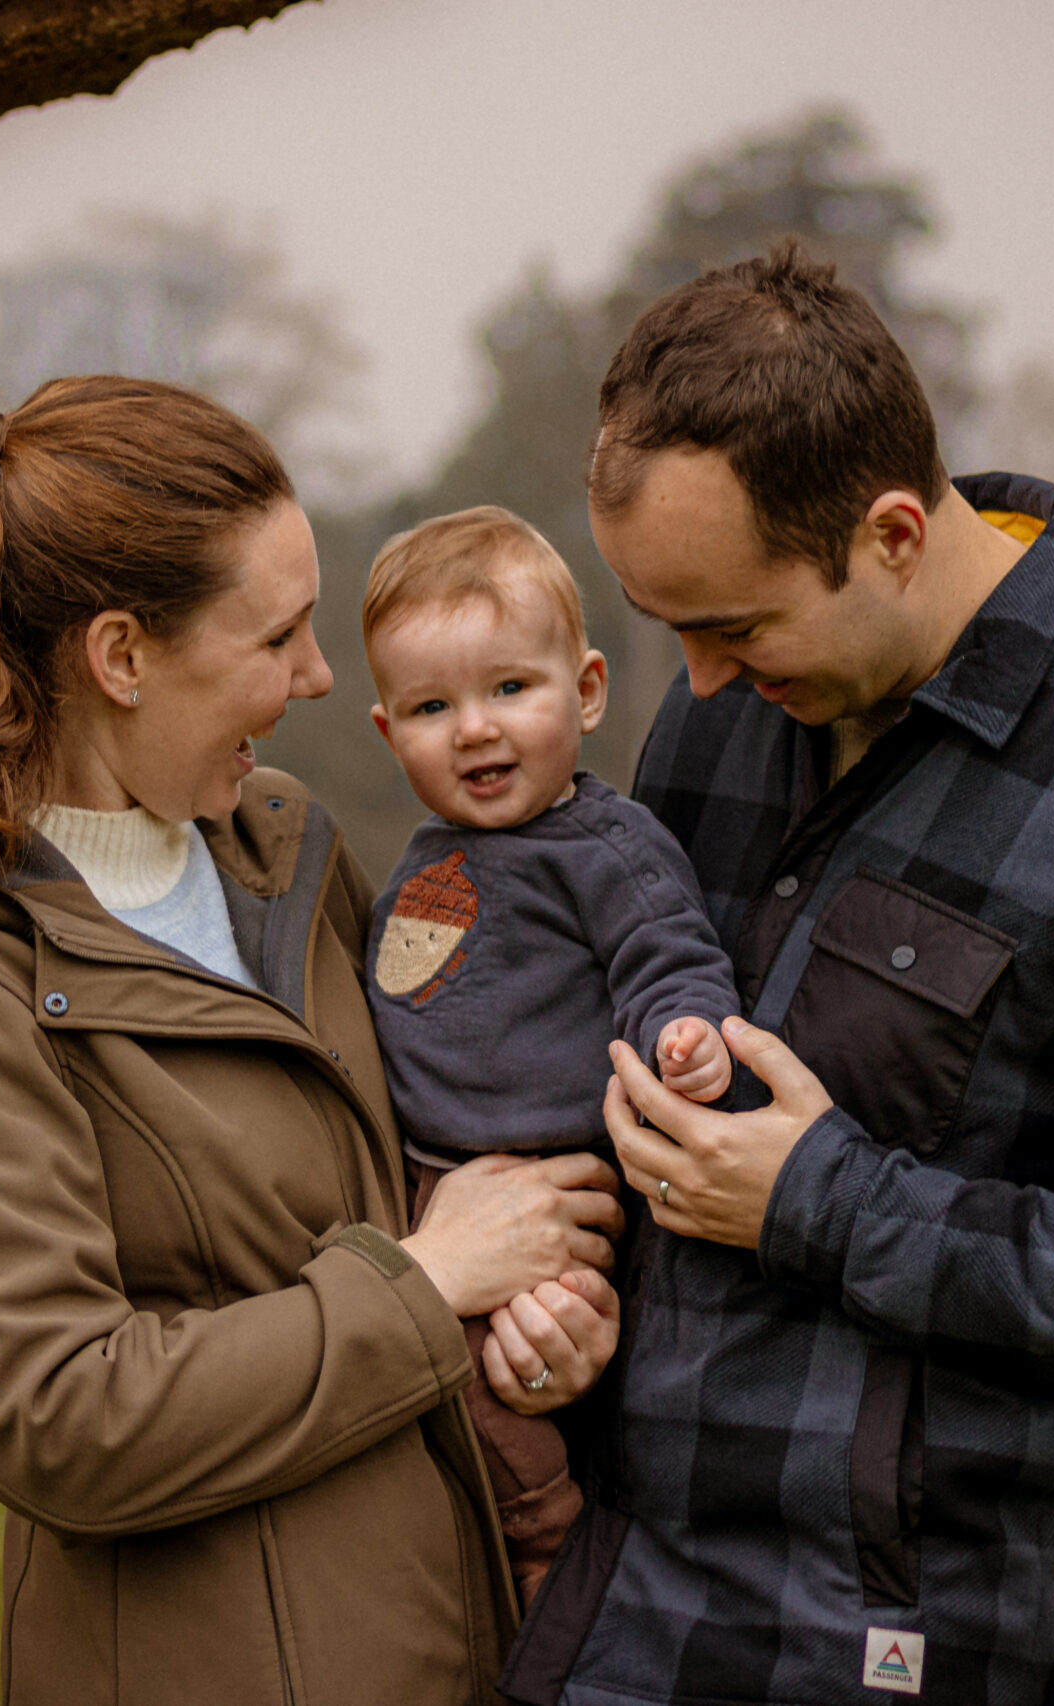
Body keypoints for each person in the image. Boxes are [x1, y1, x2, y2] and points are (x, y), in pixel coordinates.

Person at [500, 243, 1054, 1706]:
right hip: (614, 1622)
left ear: (894, 531)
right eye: (673, 629)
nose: (699, 681)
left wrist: (826, 1203)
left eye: (737, 623)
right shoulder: (723, 721)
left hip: (910, 1649)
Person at [0, 376, 627, 1706]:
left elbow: (409, 1180)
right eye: (279, 635)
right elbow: (60, 1410)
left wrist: (538, 1312)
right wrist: (427, 1286)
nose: (321, 676)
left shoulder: (287, 847)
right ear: (122, 657)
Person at [358, 505, 744, 1606]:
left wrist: (686, 1034)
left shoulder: (604, 848)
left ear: (583, 690)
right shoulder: (427, 859)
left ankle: (545, 1554)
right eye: (433, 707)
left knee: (485, 1394)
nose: (474, 728)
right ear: (391, 734)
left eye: (508, 690)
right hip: (433, 1195)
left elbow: (668, 952)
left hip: (546, 1200)